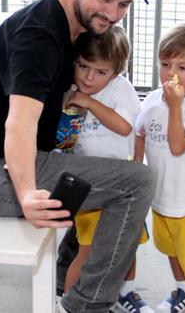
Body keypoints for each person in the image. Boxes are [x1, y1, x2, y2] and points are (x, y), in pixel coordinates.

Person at [0, 0, 154, 313]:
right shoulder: (39, 36)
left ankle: (66, 275)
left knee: (103, 171)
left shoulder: (73, 26)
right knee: (137, 183)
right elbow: (20, 123)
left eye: (124, 5)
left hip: (11, 161)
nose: (112, 14)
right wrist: (28, 192)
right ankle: (86, 305)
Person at [59, 26, 154, 313]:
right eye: (83, 66)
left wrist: (87, 102)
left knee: (127, 241)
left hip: (121, 180)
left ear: (115, 73)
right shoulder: (69, 88)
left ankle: (126, 293)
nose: (89, 77)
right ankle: (67, 303)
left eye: (100, 72)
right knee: (88, 253)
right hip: (89, 185)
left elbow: (125, 126)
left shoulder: (119, 89)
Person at [134, 24, 185, 313]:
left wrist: (176, 106)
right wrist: (135, 170)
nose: (172, 73)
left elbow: (178, 145)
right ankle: (181, 293)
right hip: (161, 199)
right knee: (172, 253)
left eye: (183, 67)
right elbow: (140, 132)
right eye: (165, 64)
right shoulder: (154, 98)